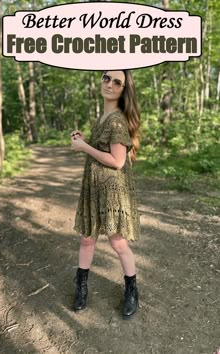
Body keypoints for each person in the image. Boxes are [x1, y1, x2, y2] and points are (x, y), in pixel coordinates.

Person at [70, 70, 141, 320]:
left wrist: (84, 147)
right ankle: (81, 286)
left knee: (117, 241)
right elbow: (102, 149)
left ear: (124, 90)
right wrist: (86, 141)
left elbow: (118, 161)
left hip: (112, 190)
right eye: (106, 78)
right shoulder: (103, 118)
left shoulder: (117, 121)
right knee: (87, 238)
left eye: (116, 82)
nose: (109, 84)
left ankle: (132, 289)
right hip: (94, 185)